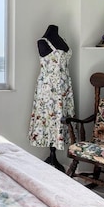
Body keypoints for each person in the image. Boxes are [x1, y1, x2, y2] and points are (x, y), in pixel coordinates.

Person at [29, 25, 75, 171]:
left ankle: (55, 154)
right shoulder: (42, 42)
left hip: (65, 88)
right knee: (49, 117)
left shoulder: (63, 40)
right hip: (49, 89)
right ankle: (50, 156)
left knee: (63, 119)